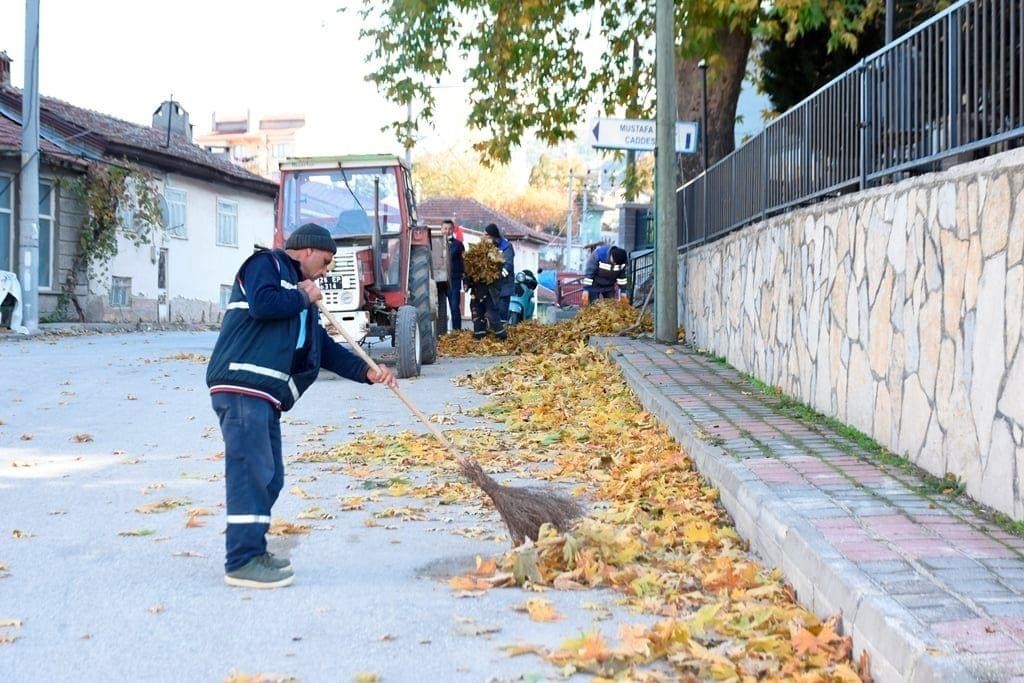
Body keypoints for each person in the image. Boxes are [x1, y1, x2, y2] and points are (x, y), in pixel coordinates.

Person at [206, 223, 397, 589]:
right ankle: (241, 561)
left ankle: (254, 549)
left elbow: (322, 349)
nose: (324, 272)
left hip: (265, 396)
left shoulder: (303, 299)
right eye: (324, 262)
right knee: (252, 472)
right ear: (306, 251)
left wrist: (367, 372)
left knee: (271, 476)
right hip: (241, 384)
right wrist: (302, 297)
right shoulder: (266, 264)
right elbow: (263, 304)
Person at [484, 223, 515, 324]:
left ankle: (502, 336)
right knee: (490, 314)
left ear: (493, 235)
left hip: (504, 287)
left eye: (487, 235)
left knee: (501, 313)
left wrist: (498, 276)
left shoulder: (507, 247)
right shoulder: (486, 247)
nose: (484, 237)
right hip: (491, 288)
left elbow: (508, 265)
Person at [444, 219, 465, 331]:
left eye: (449, 229)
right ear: (441, 229)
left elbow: (463, 264)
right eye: (445, 228)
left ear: (452, 230)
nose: (447, 231)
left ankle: (457, 332)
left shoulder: (458, 245)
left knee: (454, 308)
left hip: (454, 280)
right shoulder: (433, 244)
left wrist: (465, 281)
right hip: (440, 282)